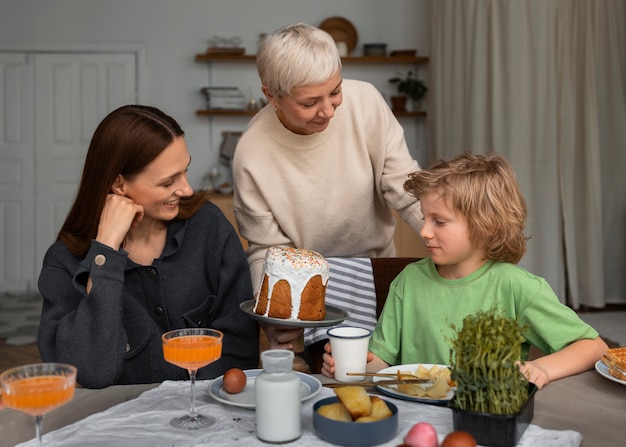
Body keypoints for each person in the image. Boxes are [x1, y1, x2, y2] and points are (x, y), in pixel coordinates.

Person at [321, 152, 608, 389]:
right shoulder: (408, 281)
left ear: (486, 226)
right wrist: (353, 366)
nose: (424, 231)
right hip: (417, 413)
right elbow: (382, 360)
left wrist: (540, 368)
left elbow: (593, 347)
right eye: (424, 218)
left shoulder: (516, 287)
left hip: (485, 415)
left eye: (439, 221)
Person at [37, 105, 259, 389]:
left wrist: (188, 406)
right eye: (168, 182)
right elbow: (91, 372)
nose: (187, 189)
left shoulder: (208, 227)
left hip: (206, 414)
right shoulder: (64, 262)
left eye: (185, 171)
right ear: (119, 184)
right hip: (119, 423)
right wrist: (105, 253)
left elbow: (239, 347)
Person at [232, 23, 423, 350]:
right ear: (271, 96)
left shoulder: (366, 103)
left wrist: (452, 238)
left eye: (335, 91)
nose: (329, 110)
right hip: (307, 292)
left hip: (376, 270)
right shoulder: (252, 153)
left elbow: (406, 188)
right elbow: (265, 249)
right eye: (309, 103)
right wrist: (272, 318)